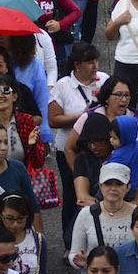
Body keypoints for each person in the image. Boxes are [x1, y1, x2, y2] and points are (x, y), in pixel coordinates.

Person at [49, 44, 109, 244]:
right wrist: (83, 116)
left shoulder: (104, 80)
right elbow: (53, 120)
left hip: (100, 151)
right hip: (69, 149)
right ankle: (70, 243)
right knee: (73, 195)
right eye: (89, 62)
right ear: (76, 65)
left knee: (100, 192)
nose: (95, 66)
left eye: (96, 61)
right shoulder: (63, 85)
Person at [70, 162, 136, 274]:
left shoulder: (137, 214)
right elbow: (73, 254)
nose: (113, 189)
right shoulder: (86, 214)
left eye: (119, 184)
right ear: (100, 186)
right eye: (108, 184)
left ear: (128, 187)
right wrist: (80, 261)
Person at [0, 191, 47, 274]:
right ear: (0, 215)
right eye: (9, 218)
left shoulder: (38, 240)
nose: (15, 224)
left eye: (21, 219)